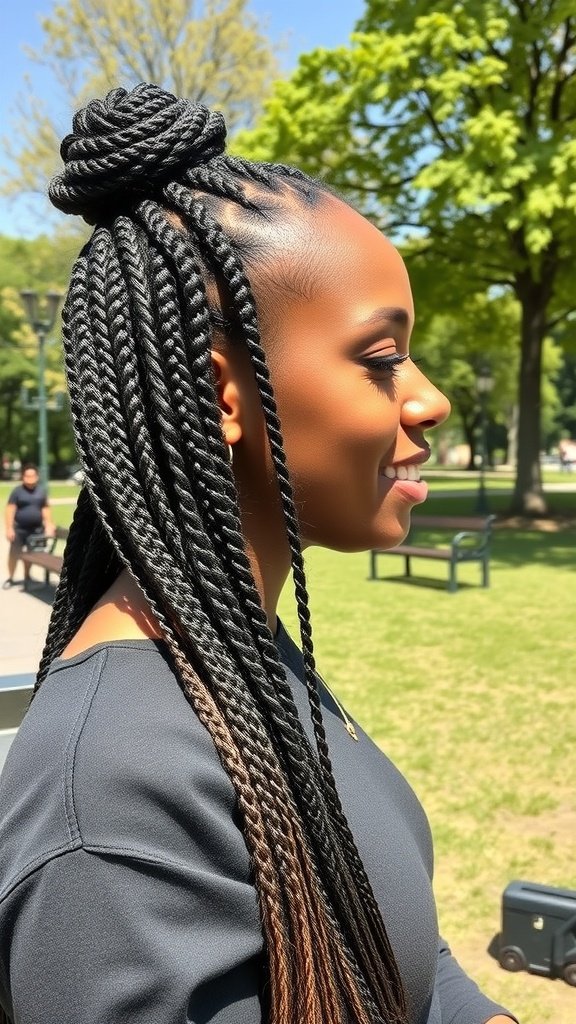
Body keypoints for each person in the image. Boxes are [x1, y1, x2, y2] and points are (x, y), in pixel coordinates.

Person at [0, 84, 518, 1024]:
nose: (429, 398)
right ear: (223, 393)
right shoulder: (114, 808)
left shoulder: (238, 656)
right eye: (381, 357)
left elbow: (391, 941)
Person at [3, 463, 55, 588]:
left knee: (32, 555)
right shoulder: (17, 491)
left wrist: (48, 524)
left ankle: (27, 576)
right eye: (27, 476)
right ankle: (11, 578)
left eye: (32, 476)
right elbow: (10, 510)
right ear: (23, 476)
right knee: (14, 554)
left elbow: (45, 508)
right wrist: (9, 528)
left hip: (36, 530)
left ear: (37, 476)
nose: (30, 478)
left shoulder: (41, 491)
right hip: (19, 529)